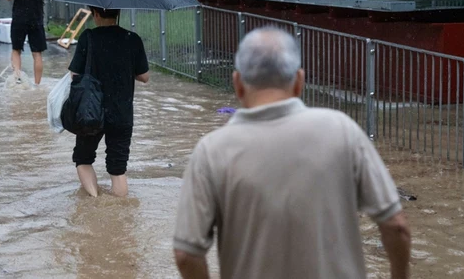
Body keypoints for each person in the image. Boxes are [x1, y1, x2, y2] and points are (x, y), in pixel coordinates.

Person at [173, 27, 411, 279]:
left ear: (237, 83)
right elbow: (396, 227)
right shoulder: (342, 130)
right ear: (299, 81)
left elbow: (187, 254)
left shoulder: (211, 151)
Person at [67, 6, 150, 197]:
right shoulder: (132, 39)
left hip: (91, 112)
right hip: (122, 113)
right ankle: (119, 214)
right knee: (118, 169)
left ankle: (95, 201)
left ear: (95, 14)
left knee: (83, 159)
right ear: (118, 13)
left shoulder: (88, 38)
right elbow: (144, 76)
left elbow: (75, 74)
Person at [5, 0, 46, 85]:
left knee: (16, 50)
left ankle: (17, 79)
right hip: (36, 18)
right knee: (37, 53)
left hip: (19, 17)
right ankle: (37, 84)